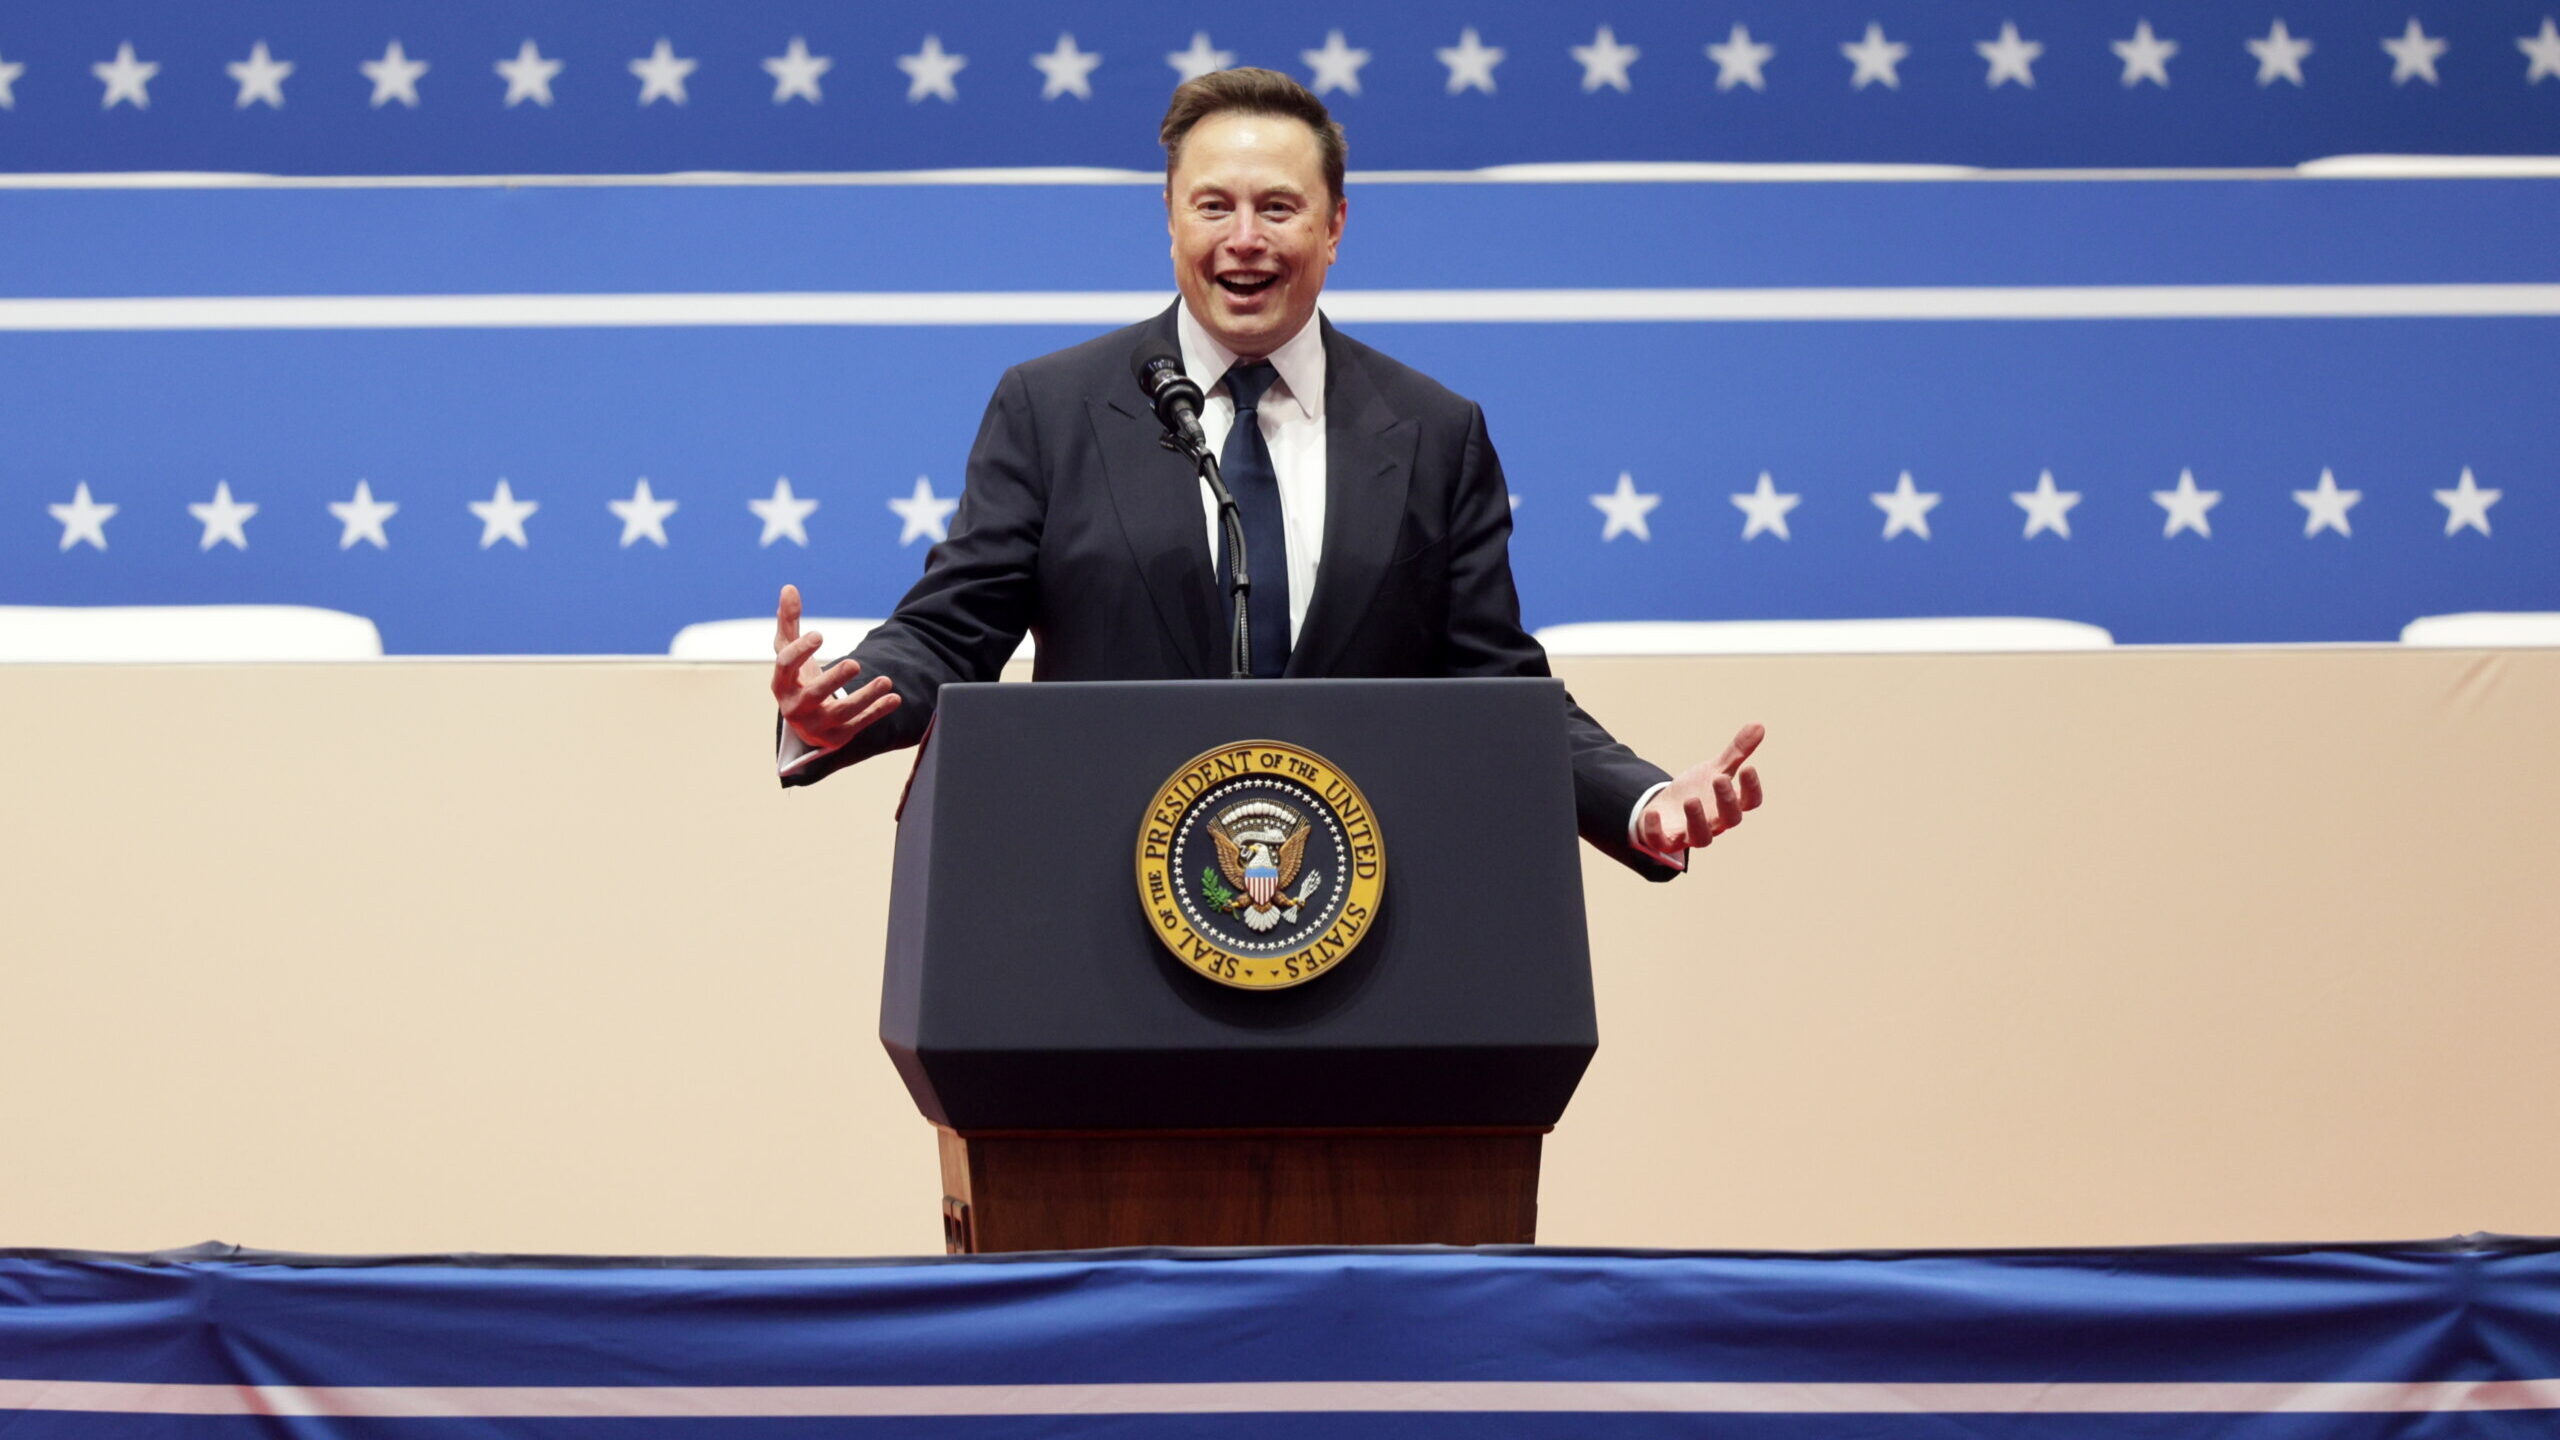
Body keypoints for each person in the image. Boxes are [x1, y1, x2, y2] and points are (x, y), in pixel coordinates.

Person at [772, 68, 1761, 878]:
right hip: (1103, 903)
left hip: (1360, 919)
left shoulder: (1433, 430)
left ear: (1334, 226)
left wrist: (1639, 799)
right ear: (1170, 220)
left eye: (1278, 208)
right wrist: (838, 703)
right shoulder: (1053, 408)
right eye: (1214, 206)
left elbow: (1495, 686)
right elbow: (950, 629)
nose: (1243, 239)